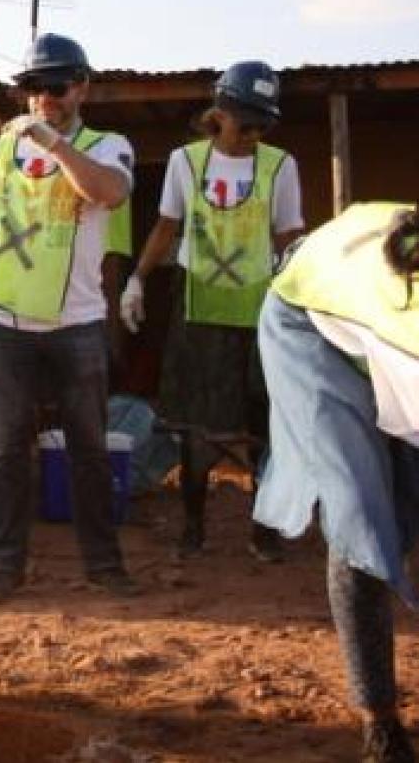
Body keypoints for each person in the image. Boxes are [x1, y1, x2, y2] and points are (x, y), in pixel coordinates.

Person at [0, 33, 140, 604]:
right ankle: (3, 567)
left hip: (77, 325)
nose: (42, 99)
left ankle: (103, 564)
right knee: (5, 454)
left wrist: (53, 143)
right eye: (31, 88)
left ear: (81, 87)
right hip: (6, 327)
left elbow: (109, 193)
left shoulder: (107, 145)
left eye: (54, 87)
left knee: (89, 451)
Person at [251, 202, 419, 763]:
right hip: (307, 323)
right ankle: (380, 724)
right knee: (362, 513)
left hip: (371, 323)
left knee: (408, 504)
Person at [121, 61, 303, 561]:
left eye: (261, 126)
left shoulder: (279, 166)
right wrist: (137, 279)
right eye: (244, 124)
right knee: (195, 427)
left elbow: (289, 238)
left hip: (260, 309)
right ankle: (194, 526)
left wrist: (304, 295)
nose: (252, 135)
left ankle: (263, 529)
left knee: (266, 423)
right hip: (198, 307)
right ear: (218, 114)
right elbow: (165, 228)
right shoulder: (186, 162)